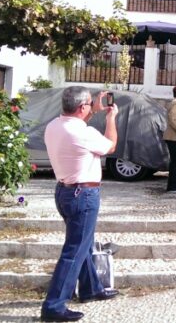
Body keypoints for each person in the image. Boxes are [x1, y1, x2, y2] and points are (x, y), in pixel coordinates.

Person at [40, 87, 119, 322]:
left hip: (64, 191)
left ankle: (90, 288)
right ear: (82, 107)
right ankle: (54, 305)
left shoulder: (54, 125)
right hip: (83, 194)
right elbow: (110, 145)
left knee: (83, 243)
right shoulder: (84, 132)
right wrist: (111, 118)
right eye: (88, 105)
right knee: (74, 251)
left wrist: (92, 111)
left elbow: (77, 123)